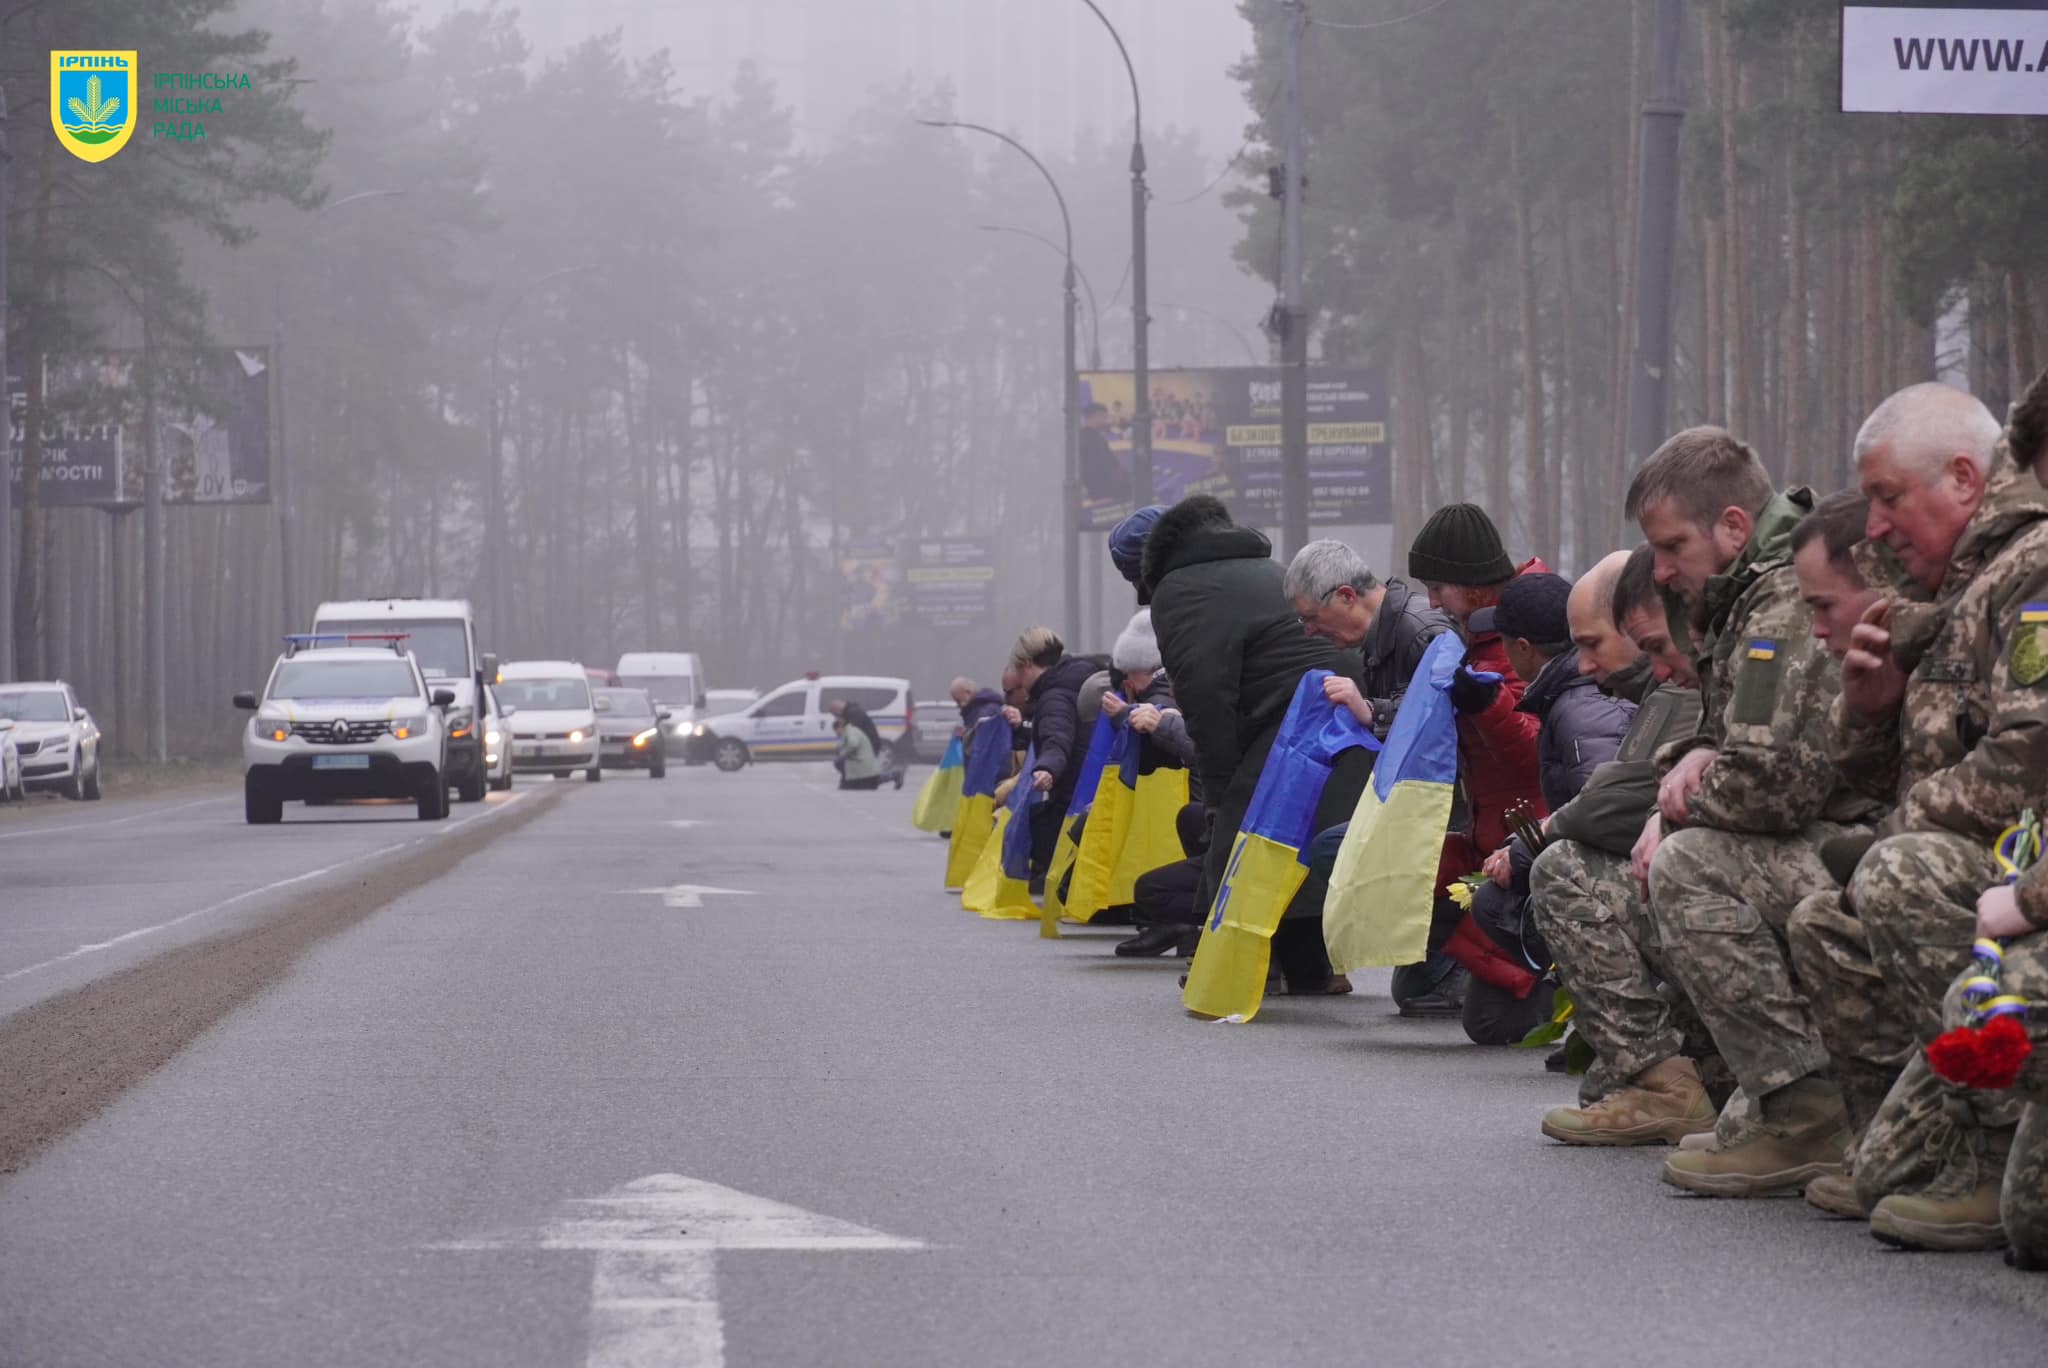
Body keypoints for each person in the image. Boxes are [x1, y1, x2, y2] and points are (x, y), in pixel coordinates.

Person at [1791, 384, 2048, 1248]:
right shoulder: (1950, 587)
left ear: (1965, 480)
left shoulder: (2030, 569)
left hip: (2020, 879)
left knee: (1894, 871)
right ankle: (1919, 1141)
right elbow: (1882, 773)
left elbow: (2025, 759)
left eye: (1888, 497)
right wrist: (1868, 707)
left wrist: (1897, 837)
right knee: (1826, 917)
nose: (1872, 529)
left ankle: (1997, 1135)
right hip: (1982, 878)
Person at [1621, 427, 1884, 1199]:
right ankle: (1773, 1095)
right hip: (1835, 834)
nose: (1662, 571)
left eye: (1672, 547)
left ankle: (1804, 1106)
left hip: (1855, 839)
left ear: (1733, 527)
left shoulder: (1778, 604)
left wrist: (1676, 813)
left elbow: (1777, 786)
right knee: (1663, 854)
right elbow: (1729, 737)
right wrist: (1689, 764)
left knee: (1690, 864)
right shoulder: (1743, 597)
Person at [1533, 545, 1720, 1146]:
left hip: (1723, 891)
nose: (1583, 666)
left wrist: (1542, 833)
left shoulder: (1681, 685)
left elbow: (1618, 801)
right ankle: (1668, 1072)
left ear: (1640, 627)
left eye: (1592, 643)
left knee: (1562, 869)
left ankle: (1662, 1080)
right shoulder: (1664, 684)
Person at [1143, 496, 1359, 994]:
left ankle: (1241, 965)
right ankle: (1312, 970)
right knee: (1306, 831)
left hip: (1295, 709)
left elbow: (1204, 697)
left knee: (1246, 832)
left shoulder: (1180, 590)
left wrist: (1218, 790)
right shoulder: (1263, 568)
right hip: (1341, 701)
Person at [1449, 570, 1637, 1046]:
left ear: (1525, 648)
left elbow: (1603, 809)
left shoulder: (1579, 709)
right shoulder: (1566, 694)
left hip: (1614, 878)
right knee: (1491, 1023)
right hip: (1584, 856)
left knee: (1493, 902)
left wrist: (1522, 853)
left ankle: (1609, 1017)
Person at [1286, 538, 1456, 1008]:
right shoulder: (1385, 633)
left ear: (1345, 596)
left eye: (1311, 619)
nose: (1307, 633)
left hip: (1451, 810)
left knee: (1334, 848)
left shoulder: (1422, 629)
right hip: (1424, 803)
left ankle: (1457, 955)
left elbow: (1446, 719)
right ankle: (1438, 956)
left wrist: (1369, 710)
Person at [1402, 503, 1550, 1016]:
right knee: (1395, 866)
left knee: (1488, 1021)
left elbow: (1537, 752)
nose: (1431, 600)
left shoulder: (1525, 632)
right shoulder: (1478, 635)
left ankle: (1548, 976)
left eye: (1438, 586)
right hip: (1489, 835)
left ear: (1474, 585)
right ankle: (1458, 961)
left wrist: (1487, 706)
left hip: (1525, 845)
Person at [1007, 628, 1103, 895]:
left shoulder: (1055, 695)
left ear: (1026, 665)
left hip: (1074, 788)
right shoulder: (1084, 677)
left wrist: (1047, 768)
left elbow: (1056, 737)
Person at [830, 699, 902, 790]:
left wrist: (843, 751)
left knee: (865, 775)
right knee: (863, 774)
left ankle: (893, 775)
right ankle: (848, 783)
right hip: (866, 747)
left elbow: (853, 740)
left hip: (869, 747)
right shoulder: (852, 712)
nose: (837, 718)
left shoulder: (853, 715)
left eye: (836, 716)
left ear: (837, 710)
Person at [1080, 403, 1123, 502]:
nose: (1106, 421)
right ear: (1096, 416)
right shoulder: (1089, 439)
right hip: (1103, 492)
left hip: (1105, 490)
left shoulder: (1093, 437)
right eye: (1104, 417)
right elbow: (1094, 469)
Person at [834, 715, 886, 791]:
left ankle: (847, 782)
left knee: (840, 762)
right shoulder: (850, 730)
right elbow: (846, 743)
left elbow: (853, 743)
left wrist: (843, 753)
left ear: (840, 727)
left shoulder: (850, 731)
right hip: (861, 762)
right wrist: (840, 746)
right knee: (867, 780)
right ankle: (847, 782)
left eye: (836, 730)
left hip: (861, 762)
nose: (836, 733)